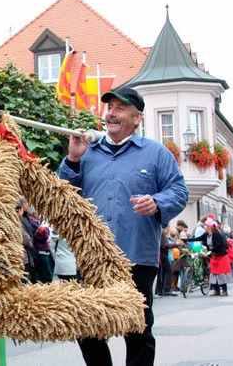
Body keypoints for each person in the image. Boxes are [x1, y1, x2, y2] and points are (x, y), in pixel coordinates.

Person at [56, 86, 188, 365]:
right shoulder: (86, 150)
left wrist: (157, 202)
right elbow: (61, 195)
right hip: (93, 258)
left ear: (137, 117)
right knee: (88, 327)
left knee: (137, 329)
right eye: (110, 108)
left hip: (137, 255)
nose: (111, 114)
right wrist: (73, 159)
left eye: (120, 108)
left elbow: (179, 192)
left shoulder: (156, 153)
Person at [187, 217, 232, 296]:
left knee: (221, 274)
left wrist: (210, 251)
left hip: (220, 256)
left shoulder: (216, 233)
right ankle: (216, 290)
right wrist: (186, 240)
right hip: (213, 256)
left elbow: (219, 245)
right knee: (214, 273)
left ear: (209, 226)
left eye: (205, 225)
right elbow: (198, 238)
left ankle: (224, 290)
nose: (204, 226)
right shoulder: (207, 234)